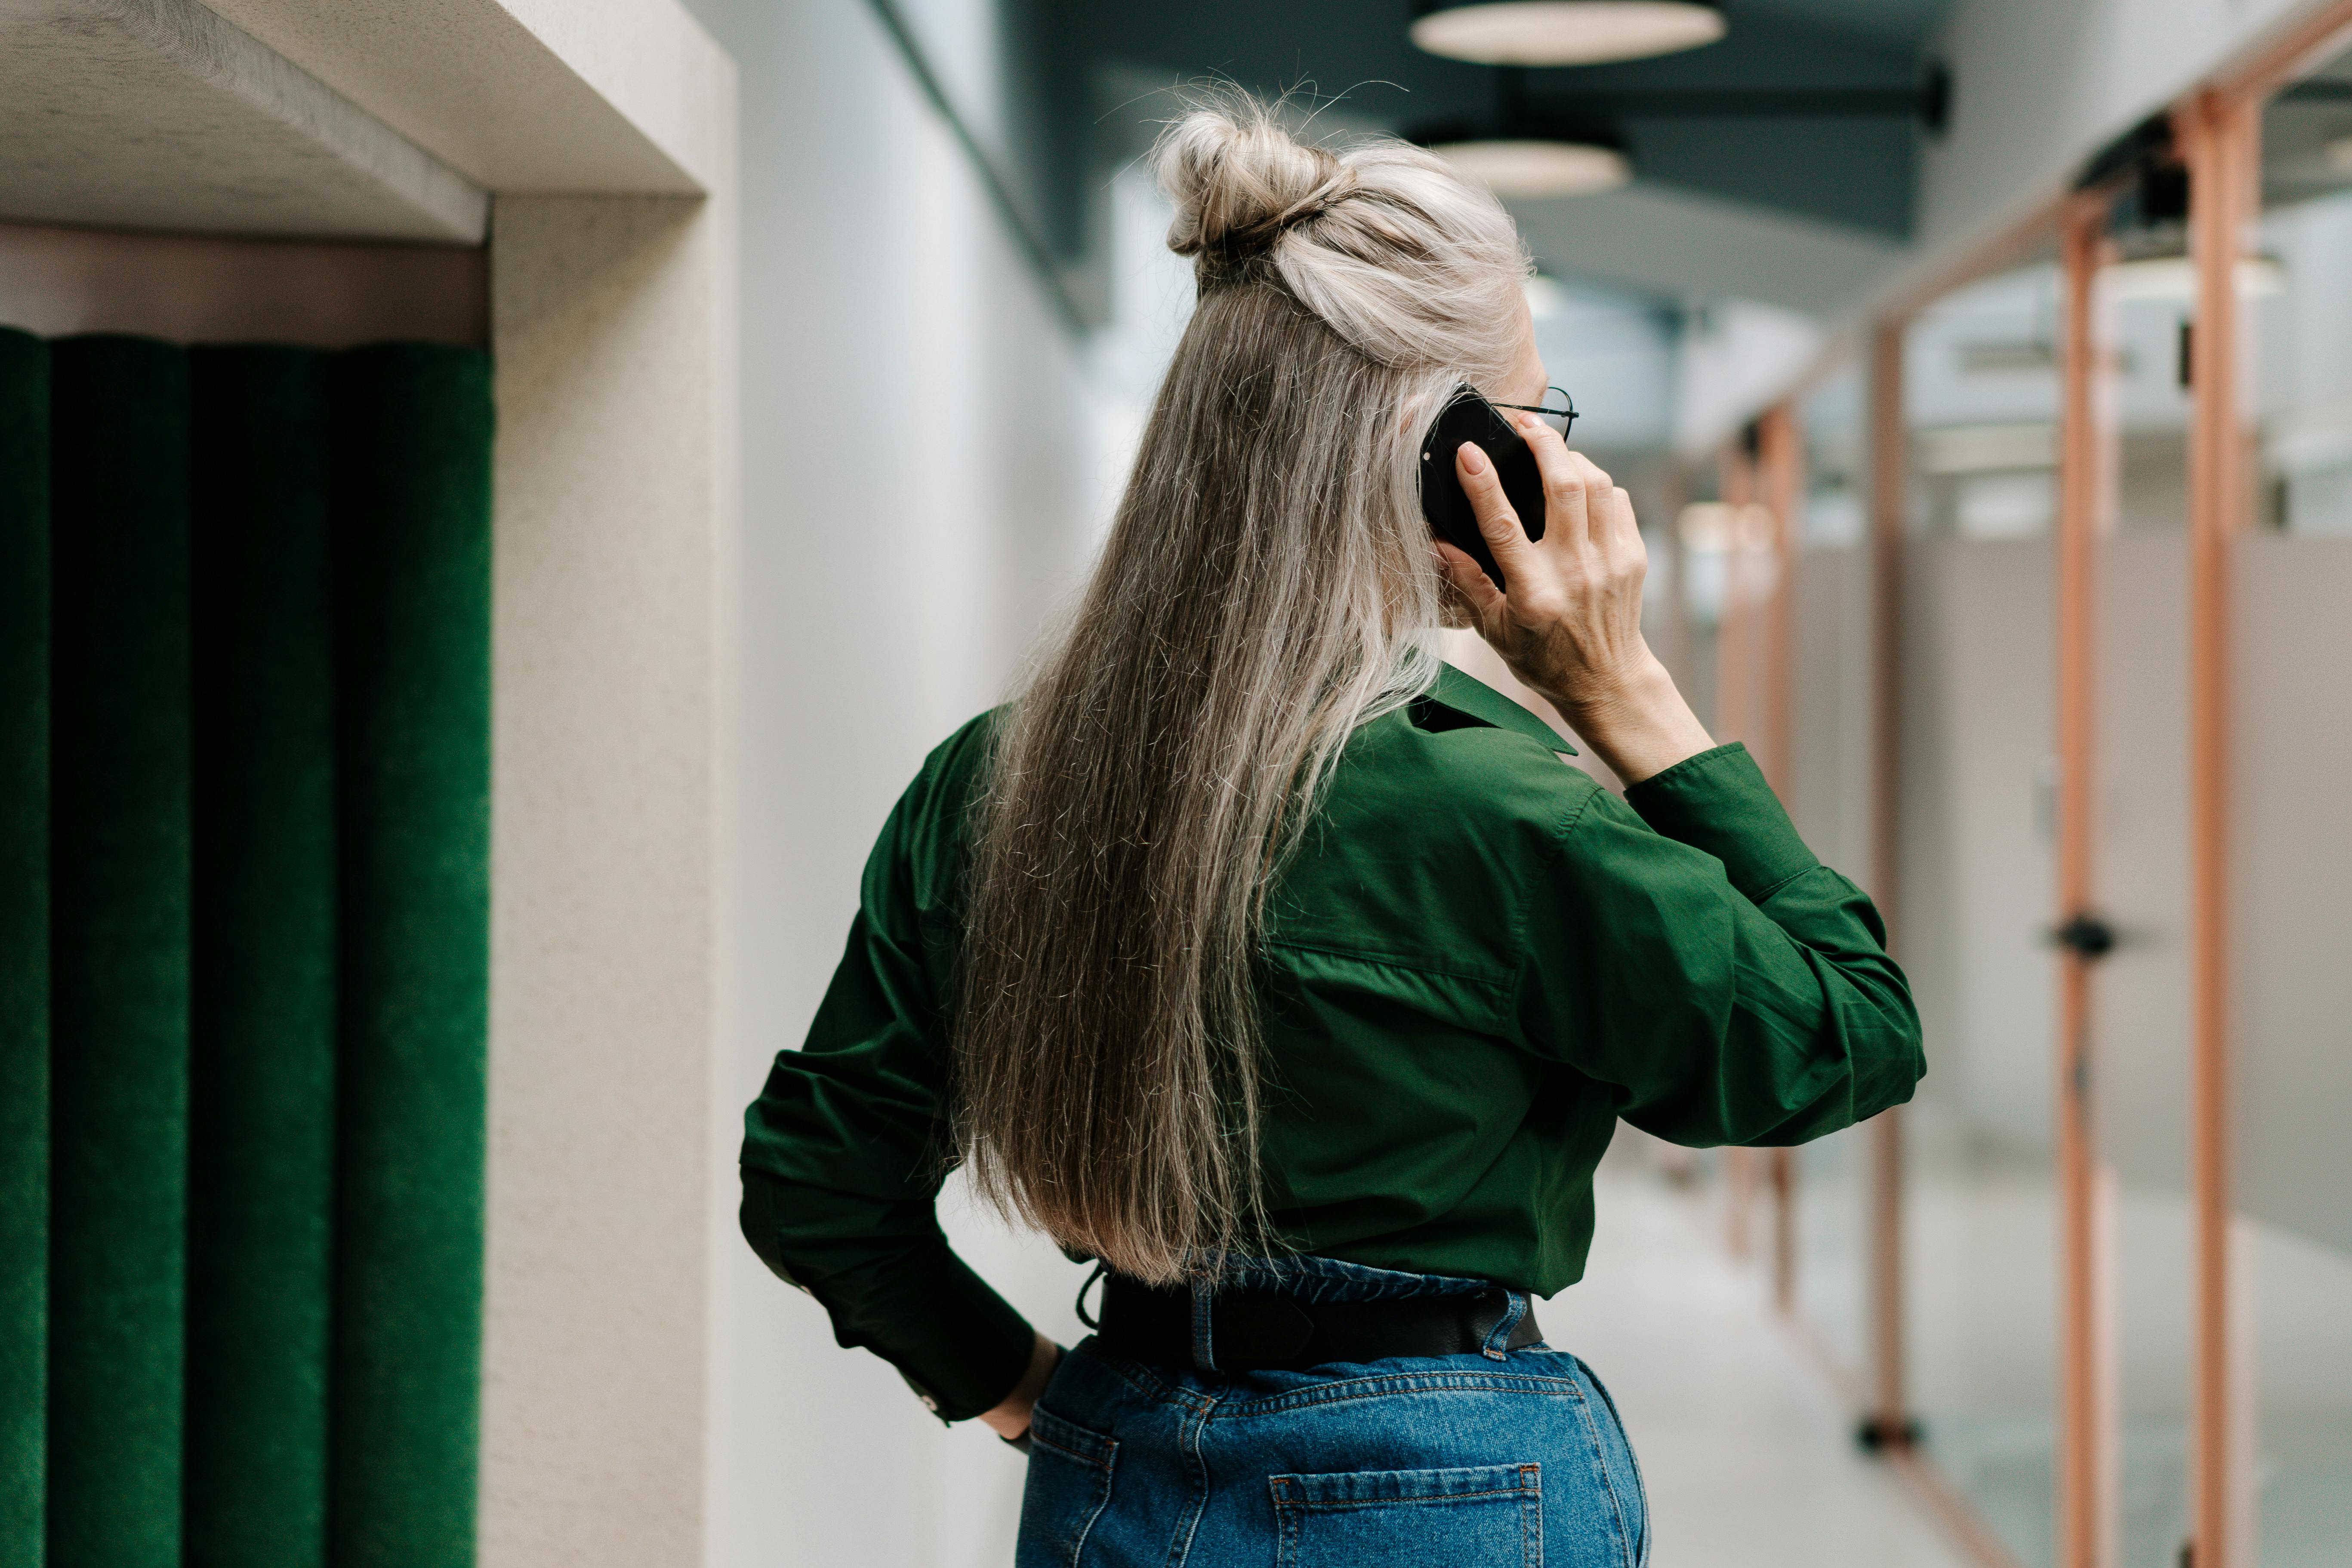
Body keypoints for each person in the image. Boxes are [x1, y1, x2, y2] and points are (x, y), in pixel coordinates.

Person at [740, 95, 1922, 1568]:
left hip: (1114, 1461)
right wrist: (1626, 695)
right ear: (1448, 460)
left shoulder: (992, 782)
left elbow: (813, 1180)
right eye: (1538, 421)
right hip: (1449, 1478)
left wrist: (1015, 1391)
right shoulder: (1495, 807)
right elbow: (1845, 1036)